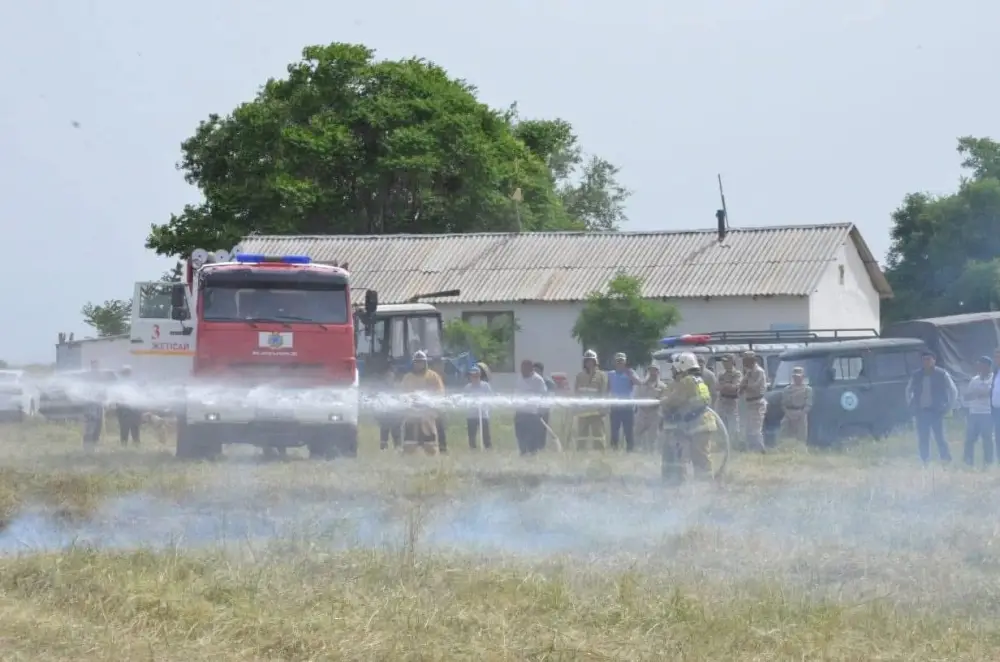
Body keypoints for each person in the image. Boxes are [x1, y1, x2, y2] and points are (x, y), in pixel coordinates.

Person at [659, 352, 716, 484]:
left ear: (681, 367)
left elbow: (675, 400)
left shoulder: (687, 381)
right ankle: (703, 483)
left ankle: (701, 484)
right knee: (700, 457)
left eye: (674, 369)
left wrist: (663, 400)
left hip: (698, 424)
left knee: (696, 457)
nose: (673, 372)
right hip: (702, 423)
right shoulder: (697, 379)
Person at [905, 350, 957, 463]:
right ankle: (924, 460)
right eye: (924, 360)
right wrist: (911, 404)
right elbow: (908, 390)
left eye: (929, 359)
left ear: (934, 360)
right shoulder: (916, 375)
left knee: (940, 437)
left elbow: (953, 391)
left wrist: (949, 406)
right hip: (921, 412)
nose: (926, 362)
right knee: (923, 438)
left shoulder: (942, 374)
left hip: (936, 411)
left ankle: (946, 459)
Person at [400, 350, 445, 455]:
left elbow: (440, 393)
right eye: (416, 362)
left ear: (425, 363)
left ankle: (434, 466)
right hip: (412, 416)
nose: (418, 364)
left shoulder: (433, 376)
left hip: (427, 417)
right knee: (409, 446)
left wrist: (428, 400)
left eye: (420, 362)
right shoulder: (407, 378)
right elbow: (402, 394)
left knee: (431, 447)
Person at [574, 350, 609, 450]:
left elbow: (604, 393)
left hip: (596, 412)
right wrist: (576, 407)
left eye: (591, 360)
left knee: (598, 436)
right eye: (587, 360)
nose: (589, 363)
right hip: (583, 411)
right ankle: (580, 456)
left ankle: (600, 457)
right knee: (581, 436)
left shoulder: (602, 376)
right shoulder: (579, 376)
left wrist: (603, 408)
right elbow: (576, 393)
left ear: (595, 361)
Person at [964, 355, 994, 466]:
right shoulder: (974, 380)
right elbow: (966, 396)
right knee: (970, 439)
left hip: (988, 413)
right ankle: (968, 461)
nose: (979, 367)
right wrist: (975, 394)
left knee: (987, 439)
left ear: (988, 366)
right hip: (974, 413)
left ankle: (988, 461)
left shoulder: (994, 379)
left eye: (982, 365)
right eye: (979, 365)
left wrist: (987, 393)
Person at [608, 352, 641, 452]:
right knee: (614, 431)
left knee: (628, 431)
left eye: (621, 361)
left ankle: (630, 450)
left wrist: (630, 375)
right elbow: (607, 388)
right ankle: (614, 450)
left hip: (627, 407)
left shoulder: (630, 372)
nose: (620, 363)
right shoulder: (610, 374)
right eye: (618, 361)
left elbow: (639, 383)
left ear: (625, 362)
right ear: (615, 362)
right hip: (615, 406)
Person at [515, 359, 548, 455]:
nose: (523, 371)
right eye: (522, 368)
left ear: (530, 368)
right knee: (520, 435)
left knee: (532, 439)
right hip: (520, 412)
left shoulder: (538, 380)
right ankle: (523, 452)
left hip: (532, 413)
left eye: (525, 368)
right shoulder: (519, 378)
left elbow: (543, 396)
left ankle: (532, 454)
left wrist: (541, 411)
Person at [738, 351, 768, 453]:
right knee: (748, 428)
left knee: (756, 428)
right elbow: (741, 385)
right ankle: (751, 449)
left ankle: (761, 450)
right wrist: (742, 387)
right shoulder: (749, 372)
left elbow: (755, 386)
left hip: (758, 403)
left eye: (745, 360)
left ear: (752, 360)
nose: (744, 362)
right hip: (749, 402)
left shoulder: (759, 371)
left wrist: (745, 386)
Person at [634, 364, 666, 452]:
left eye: (655, 370)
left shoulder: (662, 386)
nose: (652, 373)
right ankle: (638, 453)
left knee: (653, 436)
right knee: (637, 434)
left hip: (654, 413)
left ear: (658, 372)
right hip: (641, 412)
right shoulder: (641, 384)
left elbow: (663, 400)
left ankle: (652, 454)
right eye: (651, 370)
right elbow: (637, 397)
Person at [779, 366, 812, 442]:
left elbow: (808, 404)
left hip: (801, 413)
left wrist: (800, 415)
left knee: (801, 436)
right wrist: (788, 414)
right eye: (795, 377)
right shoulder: (787, 389)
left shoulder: (807, 389)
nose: (797, 379)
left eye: (799, 377)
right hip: (789, 413)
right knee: (784, 434)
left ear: (803, 377)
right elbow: (783, 404)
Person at [464, 365, 493, 450]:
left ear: (479, 375)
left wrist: (485, 405)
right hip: (471, 415)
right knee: (472, 435)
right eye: (472, 376)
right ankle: (472, 449)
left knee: (486, 435)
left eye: (476, 375)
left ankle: (488, 449)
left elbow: (491, 398)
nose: (474, 377)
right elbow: (465, 400)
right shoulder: (467, 387)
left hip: (483, 414)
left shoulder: (485, 386)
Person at [715, 355, 742, 444]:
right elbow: (717, 387)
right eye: (723, 362)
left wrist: (725, 385)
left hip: (732, 400)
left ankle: (735, 442)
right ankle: (723, 442)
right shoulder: (721, 374)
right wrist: (726, 385)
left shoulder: (737, 374)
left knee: (733, 422)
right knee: (721, 421)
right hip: (722, 400)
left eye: (726, 361)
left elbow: (735, 387)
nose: (724, 364)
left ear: (731, 362)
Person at [376, 365, 402, 450]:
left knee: (397, 436)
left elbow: (401, 402)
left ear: (394, 376)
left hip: (395, 418)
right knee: (384, 437)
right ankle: (383, 450)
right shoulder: (381, 388)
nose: (389, 378)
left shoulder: (398, 388)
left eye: (391, 376)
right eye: (387, 376)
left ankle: (398, 450)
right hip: (385, 418)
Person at [115, 365, 141, 446]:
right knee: (124, 428)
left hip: (134, 409)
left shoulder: (133, 383)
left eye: (128, 372)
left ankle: (136, 443)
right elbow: (117, 397)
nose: (127, 374)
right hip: (124, 410)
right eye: (125, 373)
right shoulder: (118, 384)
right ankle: (124, 444)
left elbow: (138, 395)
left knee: (135, 428)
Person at [533, 361, 557, 443]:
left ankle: (541, 446)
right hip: (533, 410)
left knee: (542, 429)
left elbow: (551, 396)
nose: (535, 372)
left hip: (544, 410)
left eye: (536, 370)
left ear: (541, 371)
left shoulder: (548, 382)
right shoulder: (532, 381)